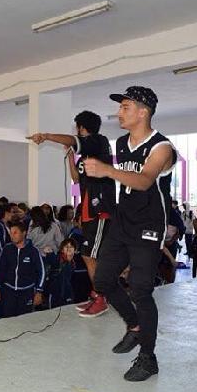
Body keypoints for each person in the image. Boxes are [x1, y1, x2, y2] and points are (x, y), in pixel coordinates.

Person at [84, 86, 176, 381]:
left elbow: (145, 181)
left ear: (143, 111)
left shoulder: (162, 147)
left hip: (149, 226)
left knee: (141, 289)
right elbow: (121, 182)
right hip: (123, 223)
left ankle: (148, 358)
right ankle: (136, 327)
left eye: (125, 107)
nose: (118, 113)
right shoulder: (122, 142)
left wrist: (107, 170)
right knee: (103, 279)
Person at [28, 110, 116, 318]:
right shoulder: (85, 157)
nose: (75, 131)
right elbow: (76, 179)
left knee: (92, 255)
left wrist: (46, 135)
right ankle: (98, 295)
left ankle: (101, 297)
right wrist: (69, 156)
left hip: (100, 210)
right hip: (87, 212)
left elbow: (71, 139)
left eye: (76, 127)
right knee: (87, 254)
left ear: (81, 127)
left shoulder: (98, 141)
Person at [0, 221, 44, 318]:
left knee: (25, 320)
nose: (12, 236)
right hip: (9, 291)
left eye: (15, 232)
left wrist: (39, 291)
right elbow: (0, 269)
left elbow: (42, 271)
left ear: (24, 233)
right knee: (8, 319)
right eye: (11, 233)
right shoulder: (7, 249)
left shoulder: (33, 251)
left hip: (27, 291)